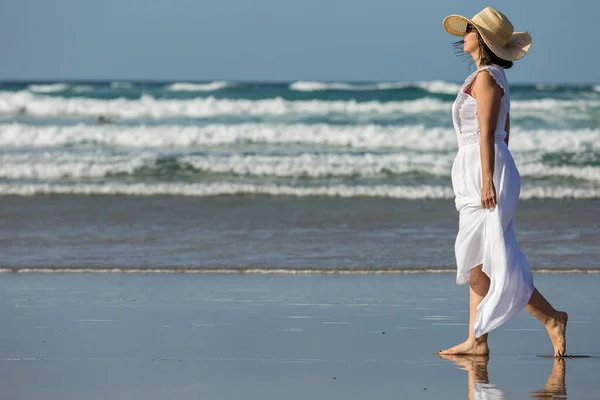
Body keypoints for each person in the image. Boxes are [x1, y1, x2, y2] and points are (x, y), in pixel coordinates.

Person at [438, 7, 568, 357]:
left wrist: (488, 180)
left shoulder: (486, 78)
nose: (462, 35)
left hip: (484, 169)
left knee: (495, 258)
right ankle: (476, 340)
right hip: (481, 167)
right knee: (476, 258)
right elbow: (504, 133)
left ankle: (552, 319)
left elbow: (487, 135)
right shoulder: (488, 76)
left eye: (468, 30)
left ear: (480, 39)